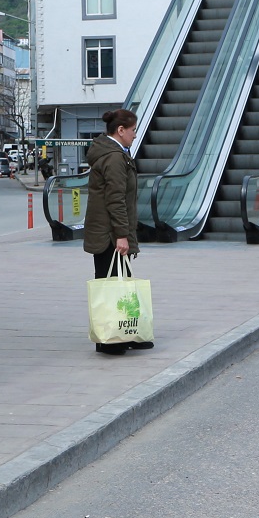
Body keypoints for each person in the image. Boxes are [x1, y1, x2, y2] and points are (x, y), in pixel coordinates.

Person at [82, 107, 151, 355]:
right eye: (133, 130)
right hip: (109, 234)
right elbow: (115, 199)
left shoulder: (115, 153)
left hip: (108, 231)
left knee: (116, 282)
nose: (135, 134)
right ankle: (110, 341)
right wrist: (122, 235)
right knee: (110, 285)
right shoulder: (113, 157)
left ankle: (124, 333)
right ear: (120, 130)